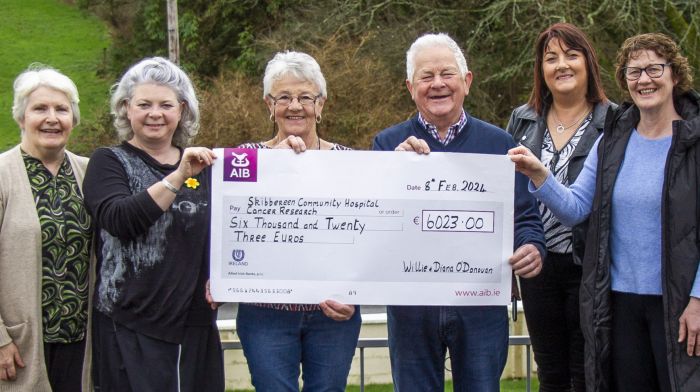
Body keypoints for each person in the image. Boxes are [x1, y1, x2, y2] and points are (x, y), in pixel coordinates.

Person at [509, 33, 700, 391]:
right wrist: (539, 173)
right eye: (634, 72)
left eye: (654, 69)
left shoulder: (694, 142)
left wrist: (699, 299)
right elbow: (576, 208)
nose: (645, 80)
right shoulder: (612, 139)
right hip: (619, 304)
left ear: (675, 74)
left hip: (679, 305)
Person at [372, 33, 546, 391]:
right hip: (410, 308)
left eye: (447, 74)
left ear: (466, 82)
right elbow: (371, 227)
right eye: (426, 76)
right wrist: (392, 175)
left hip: (480, 305)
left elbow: (526, 218)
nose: (437, 84)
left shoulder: (501, 145)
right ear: (410, 87)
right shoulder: (386, 145)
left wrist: (532, 247)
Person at [83, 57, 224, 391]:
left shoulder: (204, 166)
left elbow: (225, 231)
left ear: (182, 110)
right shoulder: (108, 161)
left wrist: (289, 151)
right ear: (126, 109)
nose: (155, 114)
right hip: (129, 325)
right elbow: (120, 220)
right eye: (144, 104)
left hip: (194, 327)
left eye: (166, 104)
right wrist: (178, 176)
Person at [235, 51, 361, 392]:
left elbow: (367, 238)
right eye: (283, 97)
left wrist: (356, 292)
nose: (295, 106)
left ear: (320, 105)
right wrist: (267, 167)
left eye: (305, 97)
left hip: (334, 313)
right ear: (268, 104)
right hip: (266, 311)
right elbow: (227, 224)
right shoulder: (245, 160)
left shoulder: (352, 163)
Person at [505, 23, 613, 392]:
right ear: (541, 69)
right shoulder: (522, 119)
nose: (561, 65)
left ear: (588, 63)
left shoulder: (613, 121)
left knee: (587, 372)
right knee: (550, 372)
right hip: (538, 265)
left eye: (571, 55)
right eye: (551, 58)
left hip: (591, 266)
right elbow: (508, 193)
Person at [0, 65, 91, 391]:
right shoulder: (2, 175)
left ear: (73, 119)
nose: (52, 118)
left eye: (61, 109)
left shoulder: (90, 172)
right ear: (21, 117)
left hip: (81, 340)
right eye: (40, 108)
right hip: (20, 342)